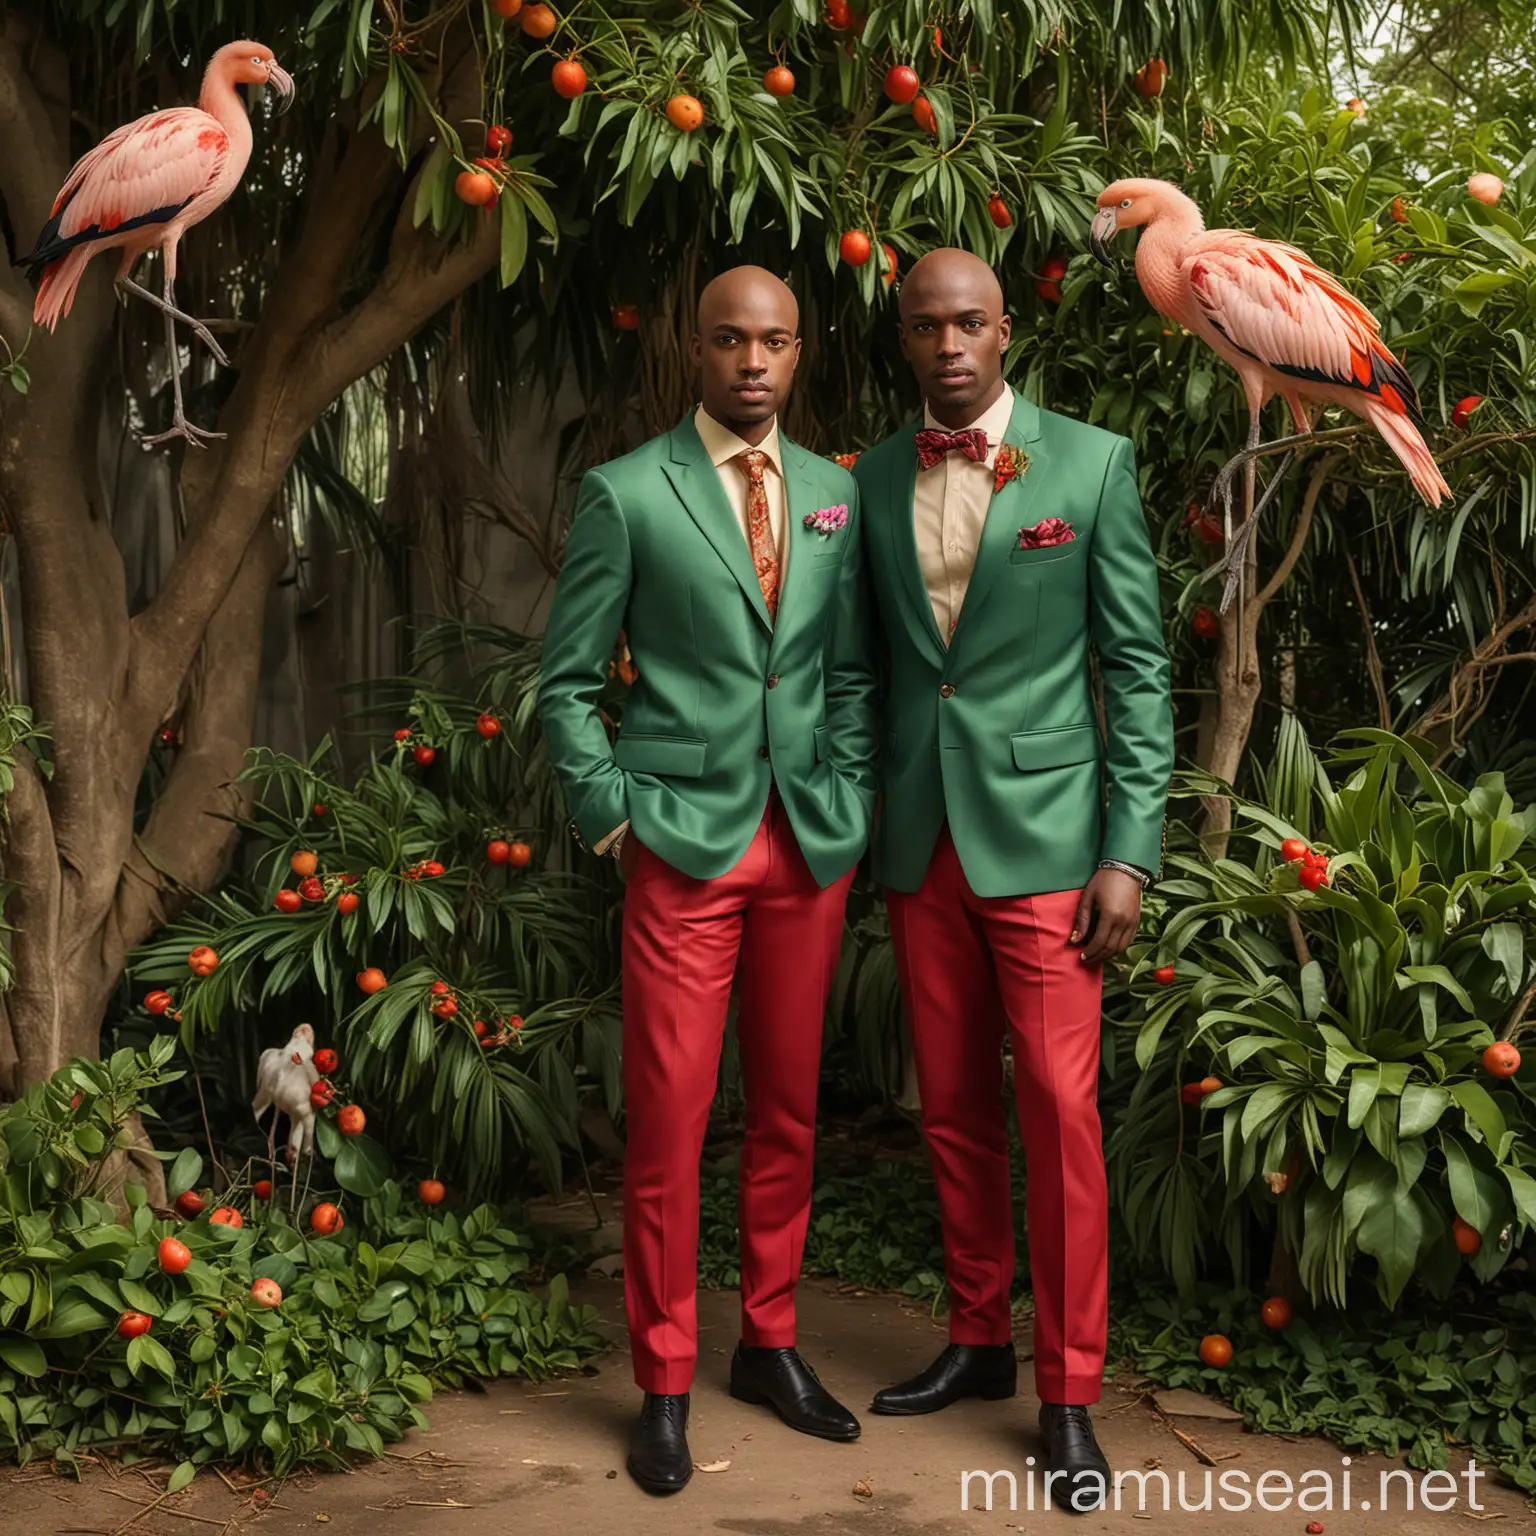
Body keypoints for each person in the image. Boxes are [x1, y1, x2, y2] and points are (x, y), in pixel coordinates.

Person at [537, 266, 879, 1496]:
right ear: (696, 347)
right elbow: (567, 685)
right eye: (730, 340)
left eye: (774, 343)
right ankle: (666, 1381)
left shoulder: (838, 494)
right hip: (679, 843)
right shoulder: (628, 492)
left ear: (801, 353)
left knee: (790, 1111)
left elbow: (843, 669)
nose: (752, 362)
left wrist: (848, 789)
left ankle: (771, 1345)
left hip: (808, 844)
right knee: (673, 1122)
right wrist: (614, 821)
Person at [852, 248, 1173, 1515]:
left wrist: (1128, 850)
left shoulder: (1088, 465)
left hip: (1051, 842)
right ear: (903, 338)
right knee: (950, 1108)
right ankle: (979, 1337)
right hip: (922, 835)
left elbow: (1139, 670)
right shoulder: (871, 478)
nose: (948, 346)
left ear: (1007, 333)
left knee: (1057, 1110)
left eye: (970, 323)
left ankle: (1071, 1395)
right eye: (926, 326)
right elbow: (872, 665)